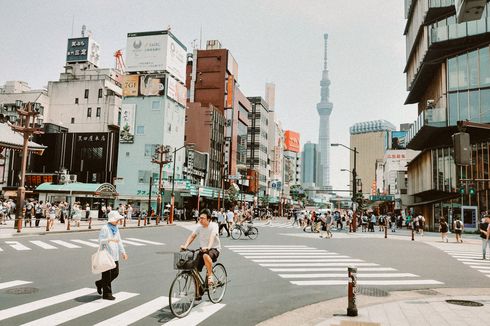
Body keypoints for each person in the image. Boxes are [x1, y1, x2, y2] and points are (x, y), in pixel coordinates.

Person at [180, 209, 221, 297]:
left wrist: (209, 247)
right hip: (202, 250)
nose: (200, 220)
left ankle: (210, 276)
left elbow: (212, 236)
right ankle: (199, 291)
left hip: (214, 249)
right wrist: (185, 246)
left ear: (209, 219)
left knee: (206, 255)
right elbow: (192, 236)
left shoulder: (214, 225)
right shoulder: (199, 227)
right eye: (200, 218)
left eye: (203, 218)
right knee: (194, 269)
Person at [95, 211, 128, 300]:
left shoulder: (116, 228)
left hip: (115, 254)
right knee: (107, 275)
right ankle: (107, 294)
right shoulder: (105, 228)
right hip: (106, 254)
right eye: (117, 219)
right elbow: (101, 241)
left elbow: (119, 240)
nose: (118, 221)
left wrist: (123, 252)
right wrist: (110, 240)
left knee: (115, 273)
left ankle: (100, 283)